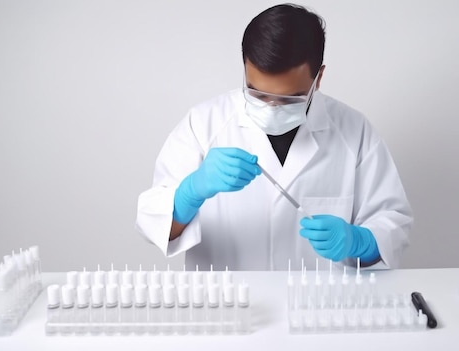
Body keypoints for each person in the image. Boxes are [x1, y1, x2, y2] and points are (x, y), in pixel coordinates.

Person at [136, 3, 412, 271]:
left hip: (321, 308)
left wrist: (359, 242)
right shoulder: (203, 125)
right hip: (229, 306)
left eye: (289, 99)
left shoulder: (354, 131)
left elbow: (393, 227)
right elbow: (154, 227)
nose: (271, 108)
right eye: (257, 93)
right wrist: (190, 192)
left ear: (318, 77)